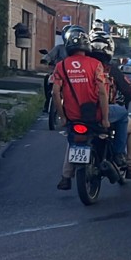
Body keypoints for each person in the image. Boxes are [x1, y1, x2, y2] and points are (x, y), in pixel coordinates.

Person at [50, 32, 111, 191]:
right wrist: (105, 118)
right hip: (94, 115)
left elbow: (55, 93)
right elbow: (103, 93)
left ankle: (65, 177)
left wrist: (62, 117)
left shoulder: (61, 66)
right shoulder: (95, 64)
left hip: (72, 117)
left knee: (73, 141)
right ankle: (119, 158)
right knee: (121, 120)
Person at [87, 31, 131, 180]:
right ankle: (130, 165)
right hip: (105, 114)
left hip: (79, 113)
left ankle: (65, 175)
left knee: (74, 137)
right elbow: (129, 91)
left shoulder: (81, 68)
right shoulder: (110, 69)